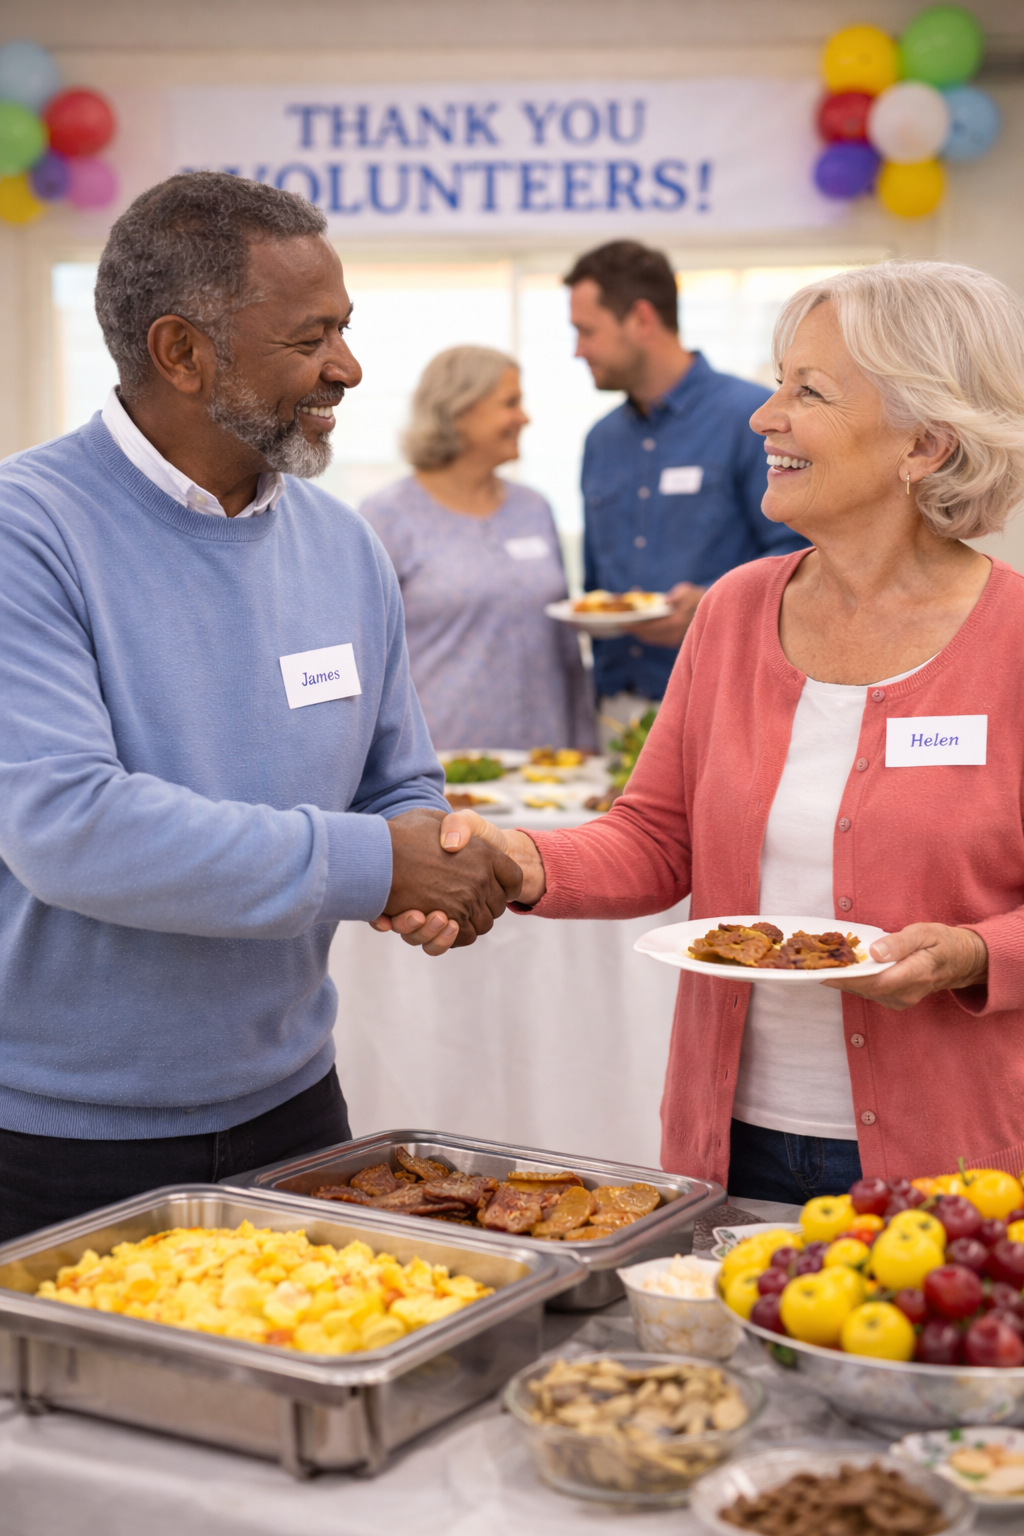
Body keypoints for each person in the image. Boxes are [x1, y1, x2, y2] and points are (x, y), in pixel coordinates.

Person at [381, 260, 1024, 1205]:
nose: (765, 417)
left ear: (923, 444)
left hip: (958, 1164)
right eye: (776, 383)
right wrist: (513, 858)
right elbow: (654, 837)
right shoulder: (734, 612)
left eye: (807, 391)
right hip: (730, 1145)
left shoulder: (1011, 641)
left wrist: (976, 954)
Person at [0, 172, 520, 1243]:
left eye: (345, 329)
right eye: (309, 337)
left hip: (296, 1113)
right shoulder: (28, 532)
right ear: (181, 352)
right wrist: (380, 863)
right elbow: (70, 831)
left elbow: (398, 784)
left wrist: (428, 862)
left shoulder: (342, 544)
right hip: (58, 1145)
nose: (348, 368)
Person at [565, 240, 807, 732]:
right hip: (616, 710)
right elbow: (596, 582)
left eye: (586, 331)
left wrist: (714, 602)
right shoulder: (601, 440)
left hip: (725, 705)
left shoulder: (756, 419)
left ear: (641, 319)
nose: (578, 350)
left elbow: (805, 559)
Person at [360, 347, 596, 752]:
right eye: (510, 403)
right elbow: (365, 661)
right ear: (460, 410)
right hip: (443, 768)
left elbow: (565, 648)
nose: (525, 418)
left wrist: (585, 743)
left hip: (551, 767)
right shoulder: (386, 517)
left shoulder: (534, 508)